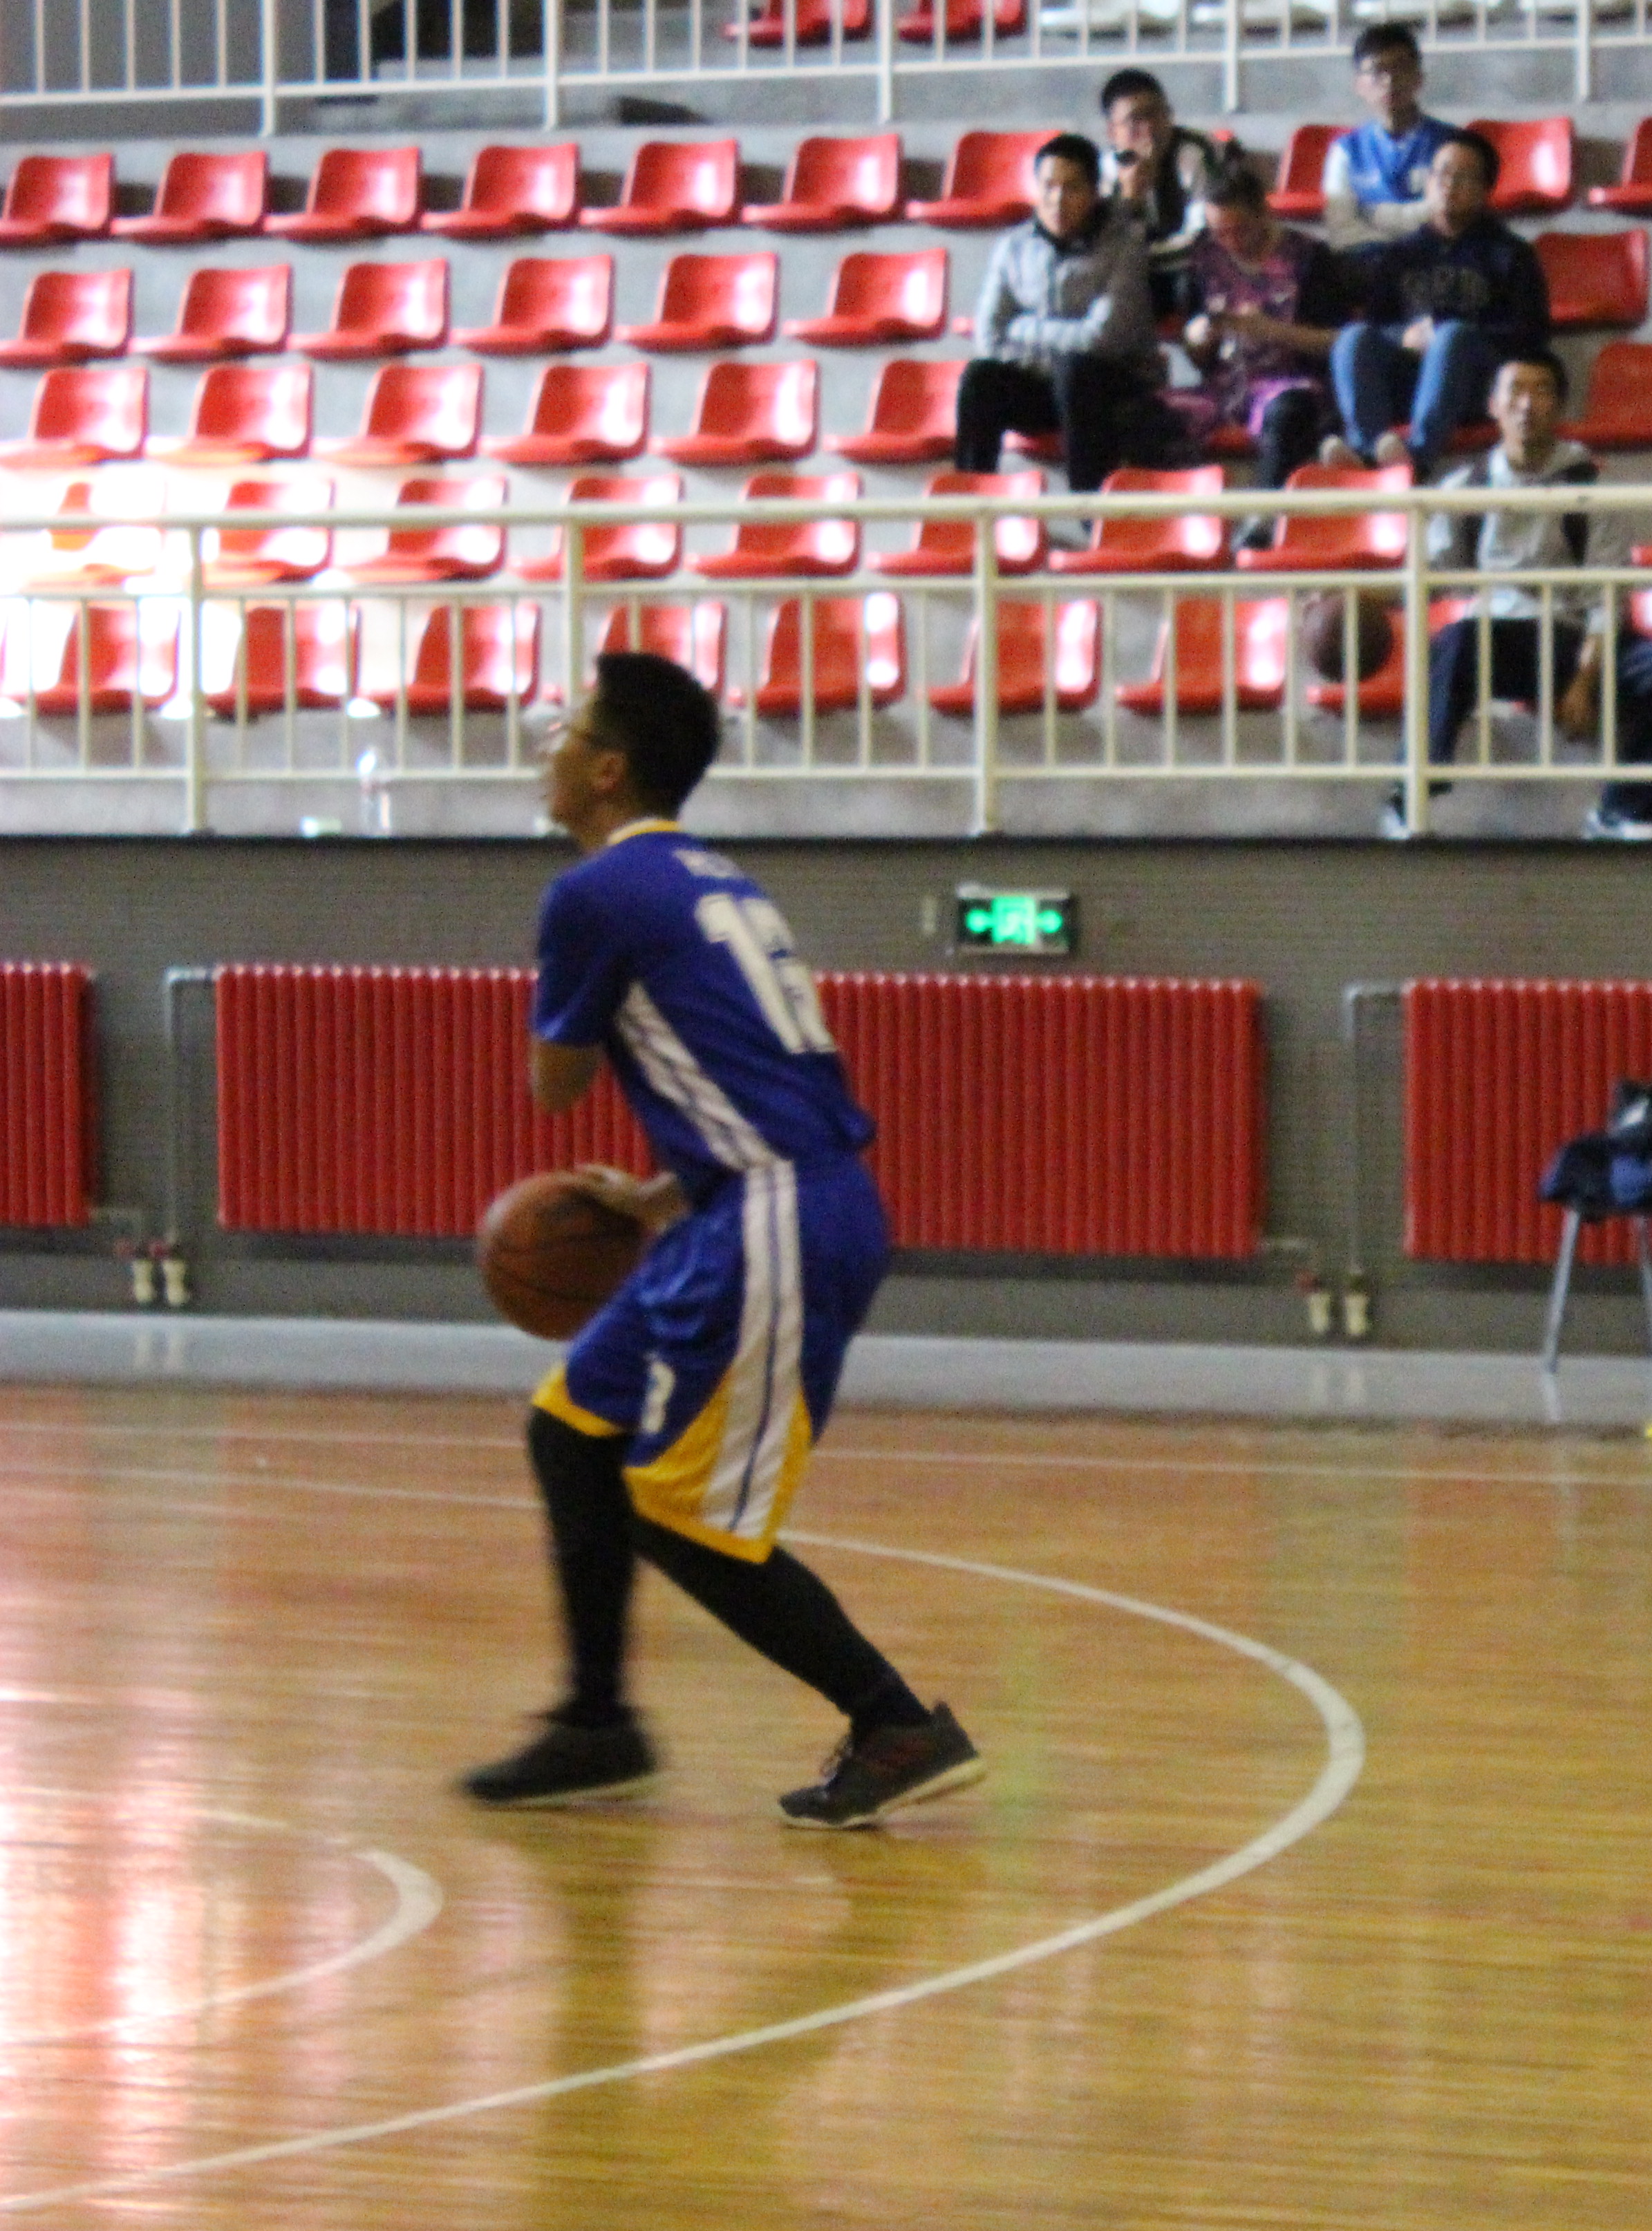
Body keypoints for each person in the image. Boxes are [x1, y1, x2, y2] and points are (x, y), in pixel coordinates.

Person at [459, 652, 985, 1825]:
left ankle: (894, 1724)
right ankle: (595, 1725)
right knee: (571, 1429)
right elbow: (762, 1079)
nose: (546, 744)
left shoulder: (594, 891)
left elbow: (553, 1088)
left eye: (566, 728)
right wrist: (658, 1197)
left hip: (777, 1218)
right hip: (746, 1202)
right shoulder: (716, 878)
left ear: (608, 769)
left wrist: (562, 990)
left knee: (683, 1514)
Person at [1418, 352, 1652, 842]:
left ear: (1559, 407)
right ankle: (1410, 794)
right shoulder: (1464, 488)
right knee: (1455, 642)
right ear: (1493, 405)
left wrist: (1584, 679)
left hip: (1575, 638)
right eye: (1515, 391)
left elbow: (1607, 593)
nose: (1527, 405)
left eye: (1542, 391)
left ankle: (1623, 809)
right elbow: (1428, 574)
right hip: (1502, 640)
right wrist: (1364, 595)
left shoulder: (1591, 486)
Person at [1327, 130, 1548, 478]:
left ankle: (1417, 460)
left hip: (1476, 385)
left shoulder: (1511, 254)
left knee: (1452, 336)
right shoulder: (1400, 254)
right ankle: (1370, 452)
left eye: (1463, 177)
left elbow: (1530, 335)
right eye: (1441, 174)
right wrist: (1404, 336)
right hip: (1409, 380)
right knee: (1352, 338)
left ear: (1485, 190)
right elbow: (1376, 324)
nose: (1449, 185)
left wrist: (1447, 332)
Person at [957, 133, 1167, 497]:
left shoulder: (1125, 247)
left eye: (1072, 188)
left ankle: (1090, 509)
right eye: (1049, 187)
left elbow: (1102, 339)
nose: (1058, 200)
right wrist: (1051, 359)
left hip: (1116, 384)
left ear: (1095, 192)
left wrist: (1023, 327)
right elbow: (989, 337)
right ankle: (971, 506)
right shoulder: (1012, 247)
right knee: (981, 378)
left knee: (1077, 372)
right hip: (1047, 382)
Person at [1169, 163, 1347, 492]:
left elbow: (1338, 342)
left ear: (1263, 214)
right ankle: (1176, 510)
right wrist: (1198, 339)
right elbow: (1196, 353)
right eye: (1220, 232)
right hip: (1224, 387)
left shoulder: (1310, 258)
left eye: (1240, 230)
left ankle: (1267, 513)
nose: (1230, 242)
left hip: (1290, 382)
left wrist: (1271, 330)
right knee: (1148, 415)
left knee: (1288, 414)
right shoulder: (1204, 258)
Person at [1101, 67, 1235, 318]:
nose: (1149, 128)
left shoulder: (1197, 151)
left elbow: (1205, 236)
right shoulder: (1105, 170)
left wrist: (1139, 257)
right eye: (1135, 120)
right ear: (1112, 132)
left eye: (1156, 114)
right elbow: (1105, 248)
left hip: (1192, 267)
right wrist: (1130, 199)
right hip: (1138, 272)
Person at [1324, 21, 1458, 250]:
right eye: (1377, 71)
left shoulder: (1451, 145)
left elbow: (1451, 215)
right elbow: (1341, 229)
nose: (1390, 81)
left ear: (1419, 77)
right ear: (1359, 84)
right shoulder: (1346, 151)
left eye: (1400, 68)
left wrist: (1373, 214)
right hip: (1367, 263)